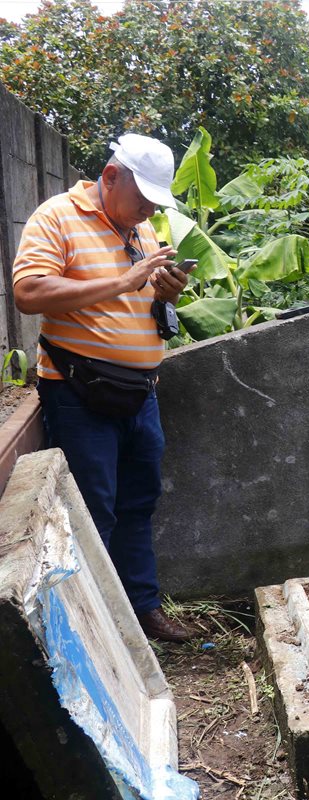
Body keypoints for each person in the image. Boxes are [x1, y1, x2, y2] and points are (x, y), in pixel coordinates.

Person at [13, 134, 194, 642]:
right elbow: (29, 292)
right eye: (142, 200)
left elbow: (143, 297)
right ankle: (98, 632)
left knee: (140, 502)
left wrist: (166, 290)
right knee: (94, 511)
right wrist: (122, 280)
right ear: (111, 177)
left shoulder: (141, 229)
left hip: (139, 393)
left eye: (154, 206)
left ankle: (141, 609)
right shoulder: (56, 216)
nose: (146, 213)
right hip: (81, 394)